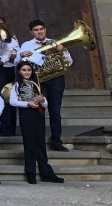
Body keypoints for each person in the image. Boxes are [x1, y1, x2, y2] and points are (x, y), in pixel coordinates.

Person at [18, 20, 72, 152]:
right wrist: (22, 56)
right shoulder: (27, 45)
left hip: (56, 80)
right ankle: (38, 141)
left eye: (41, 29)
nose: (39, 31)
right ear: (32, 32)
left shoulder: (54, 42)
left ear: (45, 30)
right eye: (36, 30)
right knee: (38, 111)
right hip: (39, 81)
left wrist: (64, 50)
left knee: (55, 112)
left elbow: (69, 62)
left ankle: (56, 141)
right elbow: (18, 64)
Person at [8, 61, 64, 184]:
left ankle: (46, 173)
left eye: (29, 70)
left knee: (41, 144)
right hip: (26, 115)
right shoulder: (16, 85)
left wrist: (42, 99)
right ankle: (31, 173)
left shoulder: (37, 84)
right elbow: (12, 102)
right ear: (19, 71)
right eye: (24, 70)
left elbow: (45, 104)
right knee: (30, 145)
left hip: (38, 115)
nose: (27, 72)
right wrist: (28, 103)